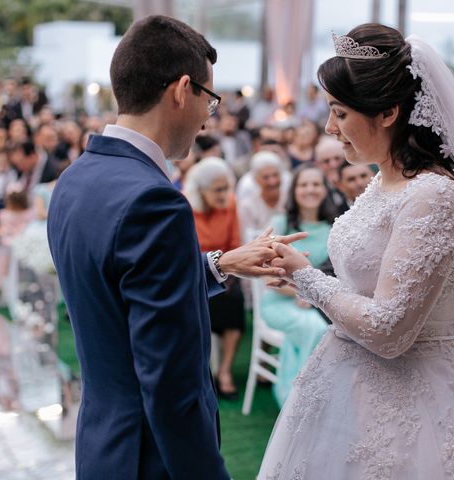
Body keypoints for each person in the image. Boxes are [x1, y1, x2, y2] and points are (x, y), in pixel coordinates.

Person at [259, 24, 454, 479]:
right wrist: (299, 275)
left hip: (418, 402)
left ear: (389, 112)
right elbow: (367, 282)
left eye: (339, 113)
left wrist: (307, 277)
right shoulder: (383, 181)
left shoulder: (434, 197)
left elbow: (391, 330)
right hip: (348, 384)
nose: (330, 128)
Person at [47, 16, 303, 480]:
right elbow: (171, 388)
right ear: (183, 90)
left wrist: (216, 265)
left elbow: (116, 289)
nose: (210, 117)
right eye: (210, 98)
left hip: (103, 442)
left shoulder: (74, 179)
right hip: (151, 456)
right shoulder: (155, 201)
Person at [260, 165, 333, 405]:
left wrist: (311, 297)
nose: (310, 189)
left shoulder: (334, 226)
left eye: (315, 184)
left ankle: (317, 396)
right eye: (303, 184)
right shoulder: (281, 223)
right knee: (314, 327)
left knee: (325, 327)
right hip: (279, 301)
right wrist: (297, 294)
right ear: (294, 191)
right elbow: (264, 271)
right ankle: (297, 400)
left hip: (317, 302)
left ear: (325, 190)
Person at [183, 157, 245, 400]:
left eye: (226, 187)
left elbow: (234, 243)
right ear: (200, 190)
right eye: (217, 189)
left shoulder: (230, 203)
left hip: (225, 270)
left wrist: (226, 272)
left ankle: (225, 370)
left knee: (234, 300)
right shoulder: (184, 206)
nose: (224, 194)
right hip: (194, 272)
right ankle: (201, 369)